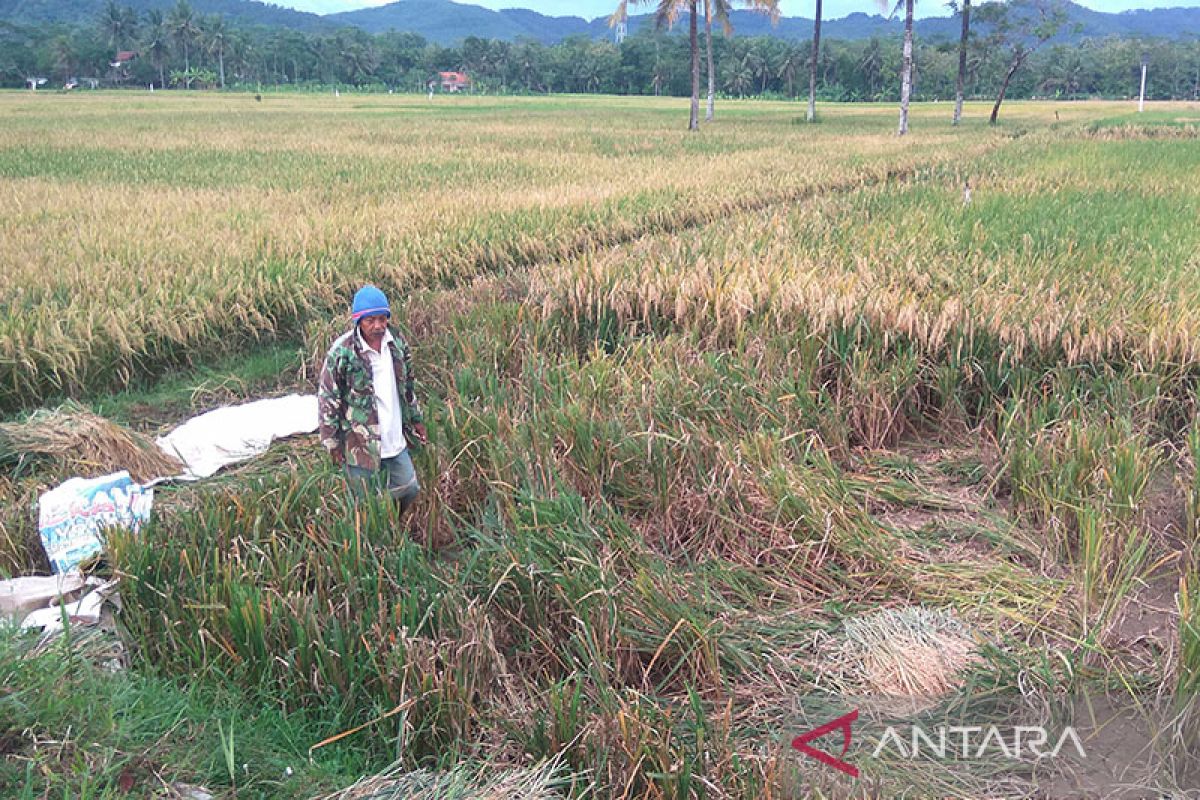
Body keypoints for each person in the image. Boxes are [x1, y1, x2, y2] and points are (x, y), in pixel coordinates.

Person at [318, 285, 427, 513]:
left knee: (409, 488)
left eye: (382, 319)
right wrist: (332, 442)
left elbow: (408, 386)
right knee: (365, 503)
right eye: (370, 320)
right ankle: (376, 538)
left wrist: (417, 419)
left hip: (394, 435)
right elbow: (328, 399)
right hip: (360, 442)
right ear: (358, 321)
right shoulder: (342, 352)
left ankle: (394, 522)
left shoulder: (396, 343)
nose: (377, 326)